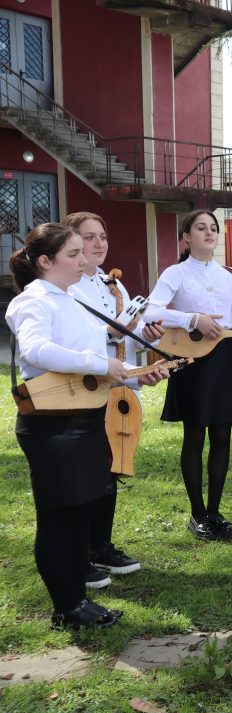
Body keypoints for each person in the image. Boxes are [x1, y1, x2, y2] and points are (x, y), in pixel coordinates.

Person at [6, 223, 166, 629]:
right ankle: (66, 607)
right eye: (73, 254)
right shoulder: (33, 300)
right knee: (59, 517)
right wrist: (102, 364)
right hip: (53, 426)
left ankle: (78, 599)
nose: (83, 261)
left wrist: (134, 375)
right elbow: (37, 350)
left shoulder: (70, 298)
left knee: (80, 514)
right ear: (46, 261)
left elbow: (93, 361)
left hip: (86, 416)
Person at [145, 209, 232, 541]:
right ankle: (197, 514)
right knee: (194, 436)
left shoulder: (230, 277)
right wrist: (192, 320)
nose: (209, 232)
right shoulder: (174, 273)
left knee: (222, 436)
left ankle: (215, 512)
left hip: (224, 358)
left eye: (213, 228)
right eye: (201, 227)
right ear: (186, 238)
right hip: (192, 360)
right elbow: (150, 310)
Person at [65, 211, 165, 589]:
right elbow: (86, 340)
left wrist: (147, 336)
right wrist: (115, 330)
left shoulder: (112, 284)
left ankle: (100, 546)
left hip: (118, 385)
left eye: (102, 236)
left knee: (111, 467)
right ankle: (81, 553)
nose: (99, 243)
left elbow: (125, 339)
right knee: (90, 470)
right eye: (89, 237)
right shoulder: (69, 287)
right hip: (87, 386)